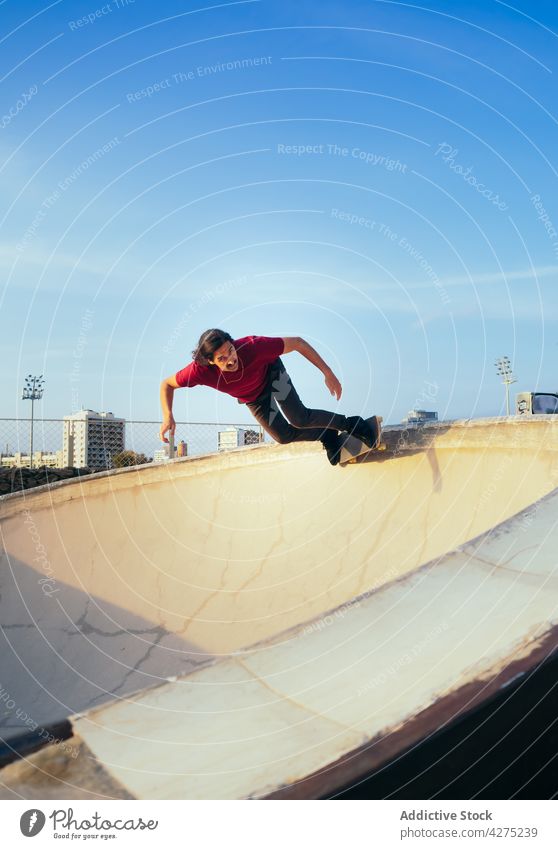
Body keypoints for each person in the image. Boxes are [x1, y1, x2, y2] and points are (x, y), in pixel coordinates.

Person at [159, 329, 378, 465]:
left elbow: (298, 343)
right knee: (282, 436)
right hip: (254, 398)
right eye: (222, 358)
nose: (231, 359)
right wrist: (168, 415)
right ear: (210, 362)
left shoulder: (254, 347)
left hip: (273, 375)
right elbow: (166, 384)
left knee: (299, 417)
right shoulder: (199, 372)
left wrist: (327, 372)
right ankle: (328, 436)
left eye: (231, 351)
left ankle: (352, 424)